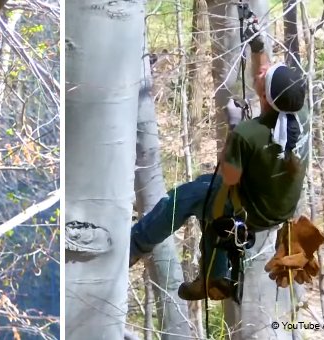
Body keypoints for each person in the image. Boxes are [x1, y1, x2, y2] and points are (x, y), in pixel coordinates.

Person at [129, 18, 310, 301]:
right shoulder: (298, 115)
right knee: (208, 202)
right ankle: (214, 276)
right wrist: (258, 46)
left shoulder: (250, 134)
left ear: (264, 94)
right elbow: (270, 83)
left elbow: (229, 177)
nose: (263, 69)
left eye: (267, 74)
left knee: (186, 197)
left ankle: (134, 245)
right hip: (279, 206)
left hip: (252, 211)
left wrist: (234, 130)